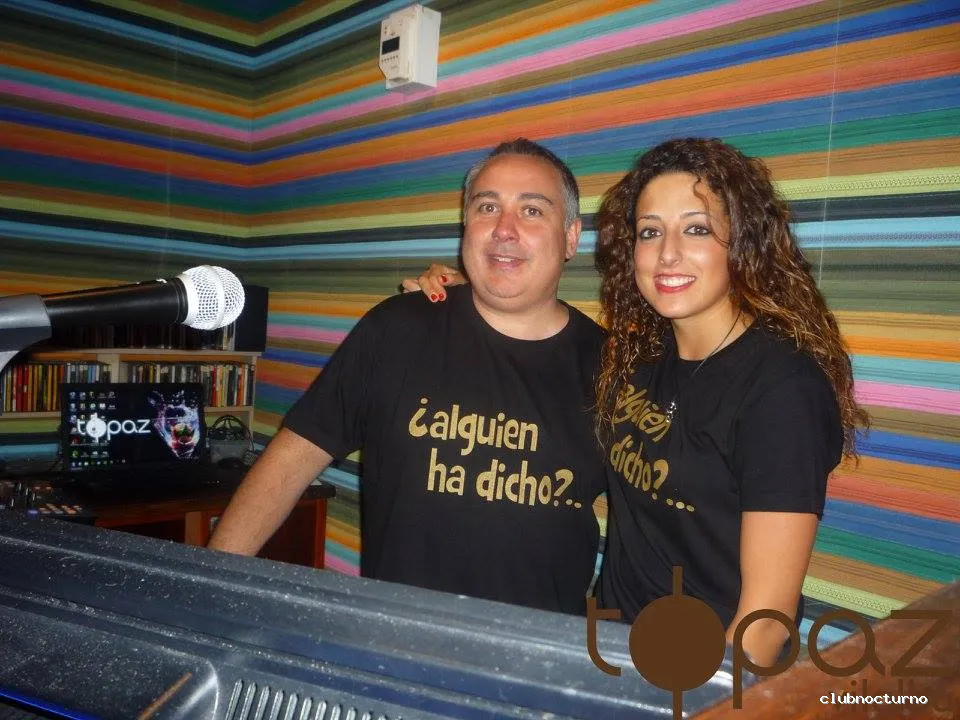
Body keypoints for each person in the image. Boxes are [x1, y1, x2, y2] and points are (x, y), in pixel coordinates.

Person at [406, 138, 868, 664]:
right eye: (651, 232)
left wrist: (703, 696)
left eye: (696, 228)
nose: (668, 252)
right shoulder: (636, 357)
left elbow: (764, 623)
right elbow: (536, 339)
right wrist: (472, 291)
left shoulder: (782, 389)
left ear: (743, 240)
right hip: (608, 651)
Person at [208, 138, 607, 615]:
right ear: (466, 224)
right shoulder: (397, 328)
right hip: (392, 638)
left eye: (532, 211)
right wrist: (208, 584)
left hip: (535, 650)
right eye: (487, 207)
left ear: (570, 237)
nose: (504, 229)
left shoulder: (612, 368)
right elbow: (291, 459)